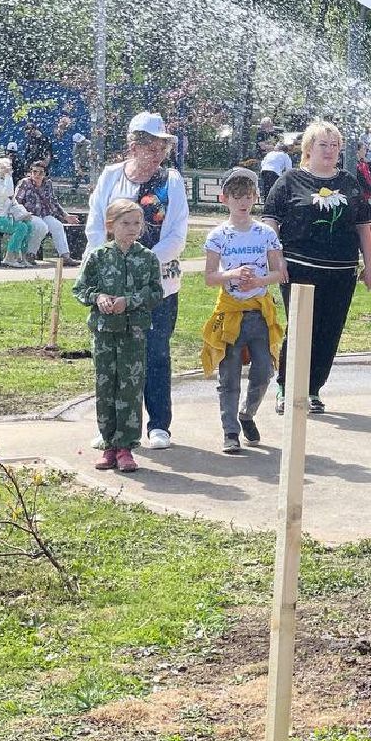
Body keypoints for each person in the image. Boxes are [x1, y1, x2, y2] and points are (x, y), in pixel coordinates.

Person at [85, 112, 190, 451]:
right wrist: (109, 268)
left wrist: (141, 266)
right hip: (113, 286)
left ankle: (159, 424)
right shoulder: (111, 176)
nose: (157, 153)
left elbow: (176, 235)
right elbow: (96, 227)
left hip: (157, 284)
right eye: (150, 145)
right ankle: (112, 428)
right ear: (133, 145)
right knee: (113, 357)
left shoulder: (170, 180)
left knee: (155, 353)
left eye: (162, 146)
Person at [261, 121, 371, 415]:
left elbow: (364, 226)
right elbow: (271, 221)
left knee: (329, 330)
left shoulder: (349, 183)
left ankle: (313, 389)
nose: (329, 151)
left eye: (334, 145)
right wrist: (276, 259)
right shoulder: (290, 180)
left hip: (341, 270)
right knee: (302, 328)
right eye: (322, 145)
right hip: (300, 268)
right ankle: (288, 387)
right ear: (309, 148)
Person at [74, 198, 164, 473]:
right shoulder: (99, 256)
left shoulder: (147, 258)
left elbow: (156, 293)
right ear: (111, 226)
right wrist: (98, 297)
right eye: (125, 223)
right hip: (104, 333)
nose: (132, 229)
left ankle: (126, 447)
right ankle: (108, 445)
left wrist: (131, 300)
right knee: (105, 387)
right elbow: (80, 289)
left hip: (134, 332)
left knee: (130, 387)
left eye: (137, 223)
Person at [201, 168, 287, 454]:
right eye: (237, 196)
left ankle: (247, 413)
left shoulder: (265, 234)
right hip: (230, 314)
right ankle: (230, 432)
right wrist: (233, 274)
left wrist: (260, 280)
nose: (243, 202)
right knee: (230, 375)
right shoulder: (218, 235)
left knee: (263, 371)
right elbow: (210, 277)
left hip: (259, 313)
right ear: (224, 198)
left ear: (255, 198)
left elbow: (279, 272)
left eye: (248, 196)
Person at [0, 157, 40, 269]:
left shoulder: (1, 181)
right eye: (5, 168)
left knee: (28, 225)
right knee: (20, 228)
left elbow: (11, 200)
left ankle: (22, 257)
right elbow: (9, 192)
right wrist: (8, 176)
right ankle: (9, 257)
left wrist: (22, 214)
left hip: (2, 217)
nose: (8, 170)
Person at [14, 158, 80, 267]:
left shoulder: (48, 184)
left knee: (58, 226)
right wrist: (22, 214)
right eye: (34, 172)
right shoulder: (25, 183)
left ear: (45, 174)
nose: (37, 174)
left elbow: (54, 202)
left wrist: (66, 215)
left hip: (44, 214)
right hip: (29, 215)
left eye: (40, 172)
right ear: (30, 173)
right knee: (41, 226)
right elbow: (16, 201)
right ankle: (30, 254)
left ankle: (65, 256)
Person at [259, 134, 293, 199]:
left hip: (264, 171)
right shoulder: (285, 155)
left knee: (266, 188)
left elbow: (262, 163)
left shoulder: (270, 153)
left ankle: (266, 202)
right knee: (274, 188)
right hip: (274, 172)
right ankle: (274, 202)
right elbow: (289, 168)